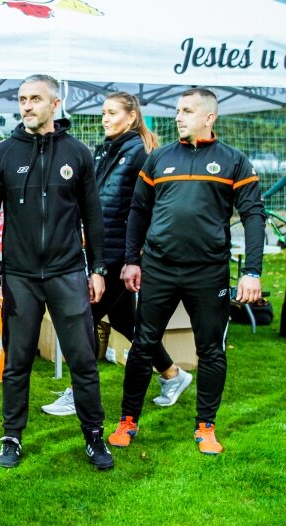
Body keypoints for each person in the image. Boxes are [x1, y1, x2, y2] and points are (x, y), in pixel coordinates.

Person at [108, 88, 265, 454]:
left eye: (187, 111)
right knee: (143, 346)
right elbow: (138, 211)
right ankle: (128, 420)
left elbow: (253, 215)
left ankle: (205, 426)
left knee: (211, 350)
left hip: (208, 274)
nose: (178, 116)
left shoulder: (233, 161)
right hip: (159, 269)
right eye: (178, 110)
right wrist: (132, 260)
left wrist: (252, 271)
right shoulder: (159, 159)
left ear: (209, 117)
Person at [0, 74, 113, 471]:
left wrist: (98, 268)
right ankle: (12, 436)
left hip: (67, 272)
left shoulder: (78, 153)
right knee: (16, 363)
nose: (27, 106)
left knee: (83, 360)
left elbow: (93, 215)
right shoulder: (2, 154)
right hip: (19, 276)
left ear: (55, 104)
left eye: (35, 99)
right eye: (22, 99)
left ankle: (94, 435)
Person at [41, 92, 192, 417]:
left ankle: (79, 393)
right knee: (126, 321)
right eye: (103, 113)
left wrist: (135, 255)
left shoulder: (140, 153)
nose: (105, 119)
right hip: (102, 248)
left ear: (131, 116)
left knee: (84, 319)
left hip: (120, 255)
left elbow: (147, 207)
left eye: (111, 113)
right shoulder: (107, 150)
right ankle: (173, 375)